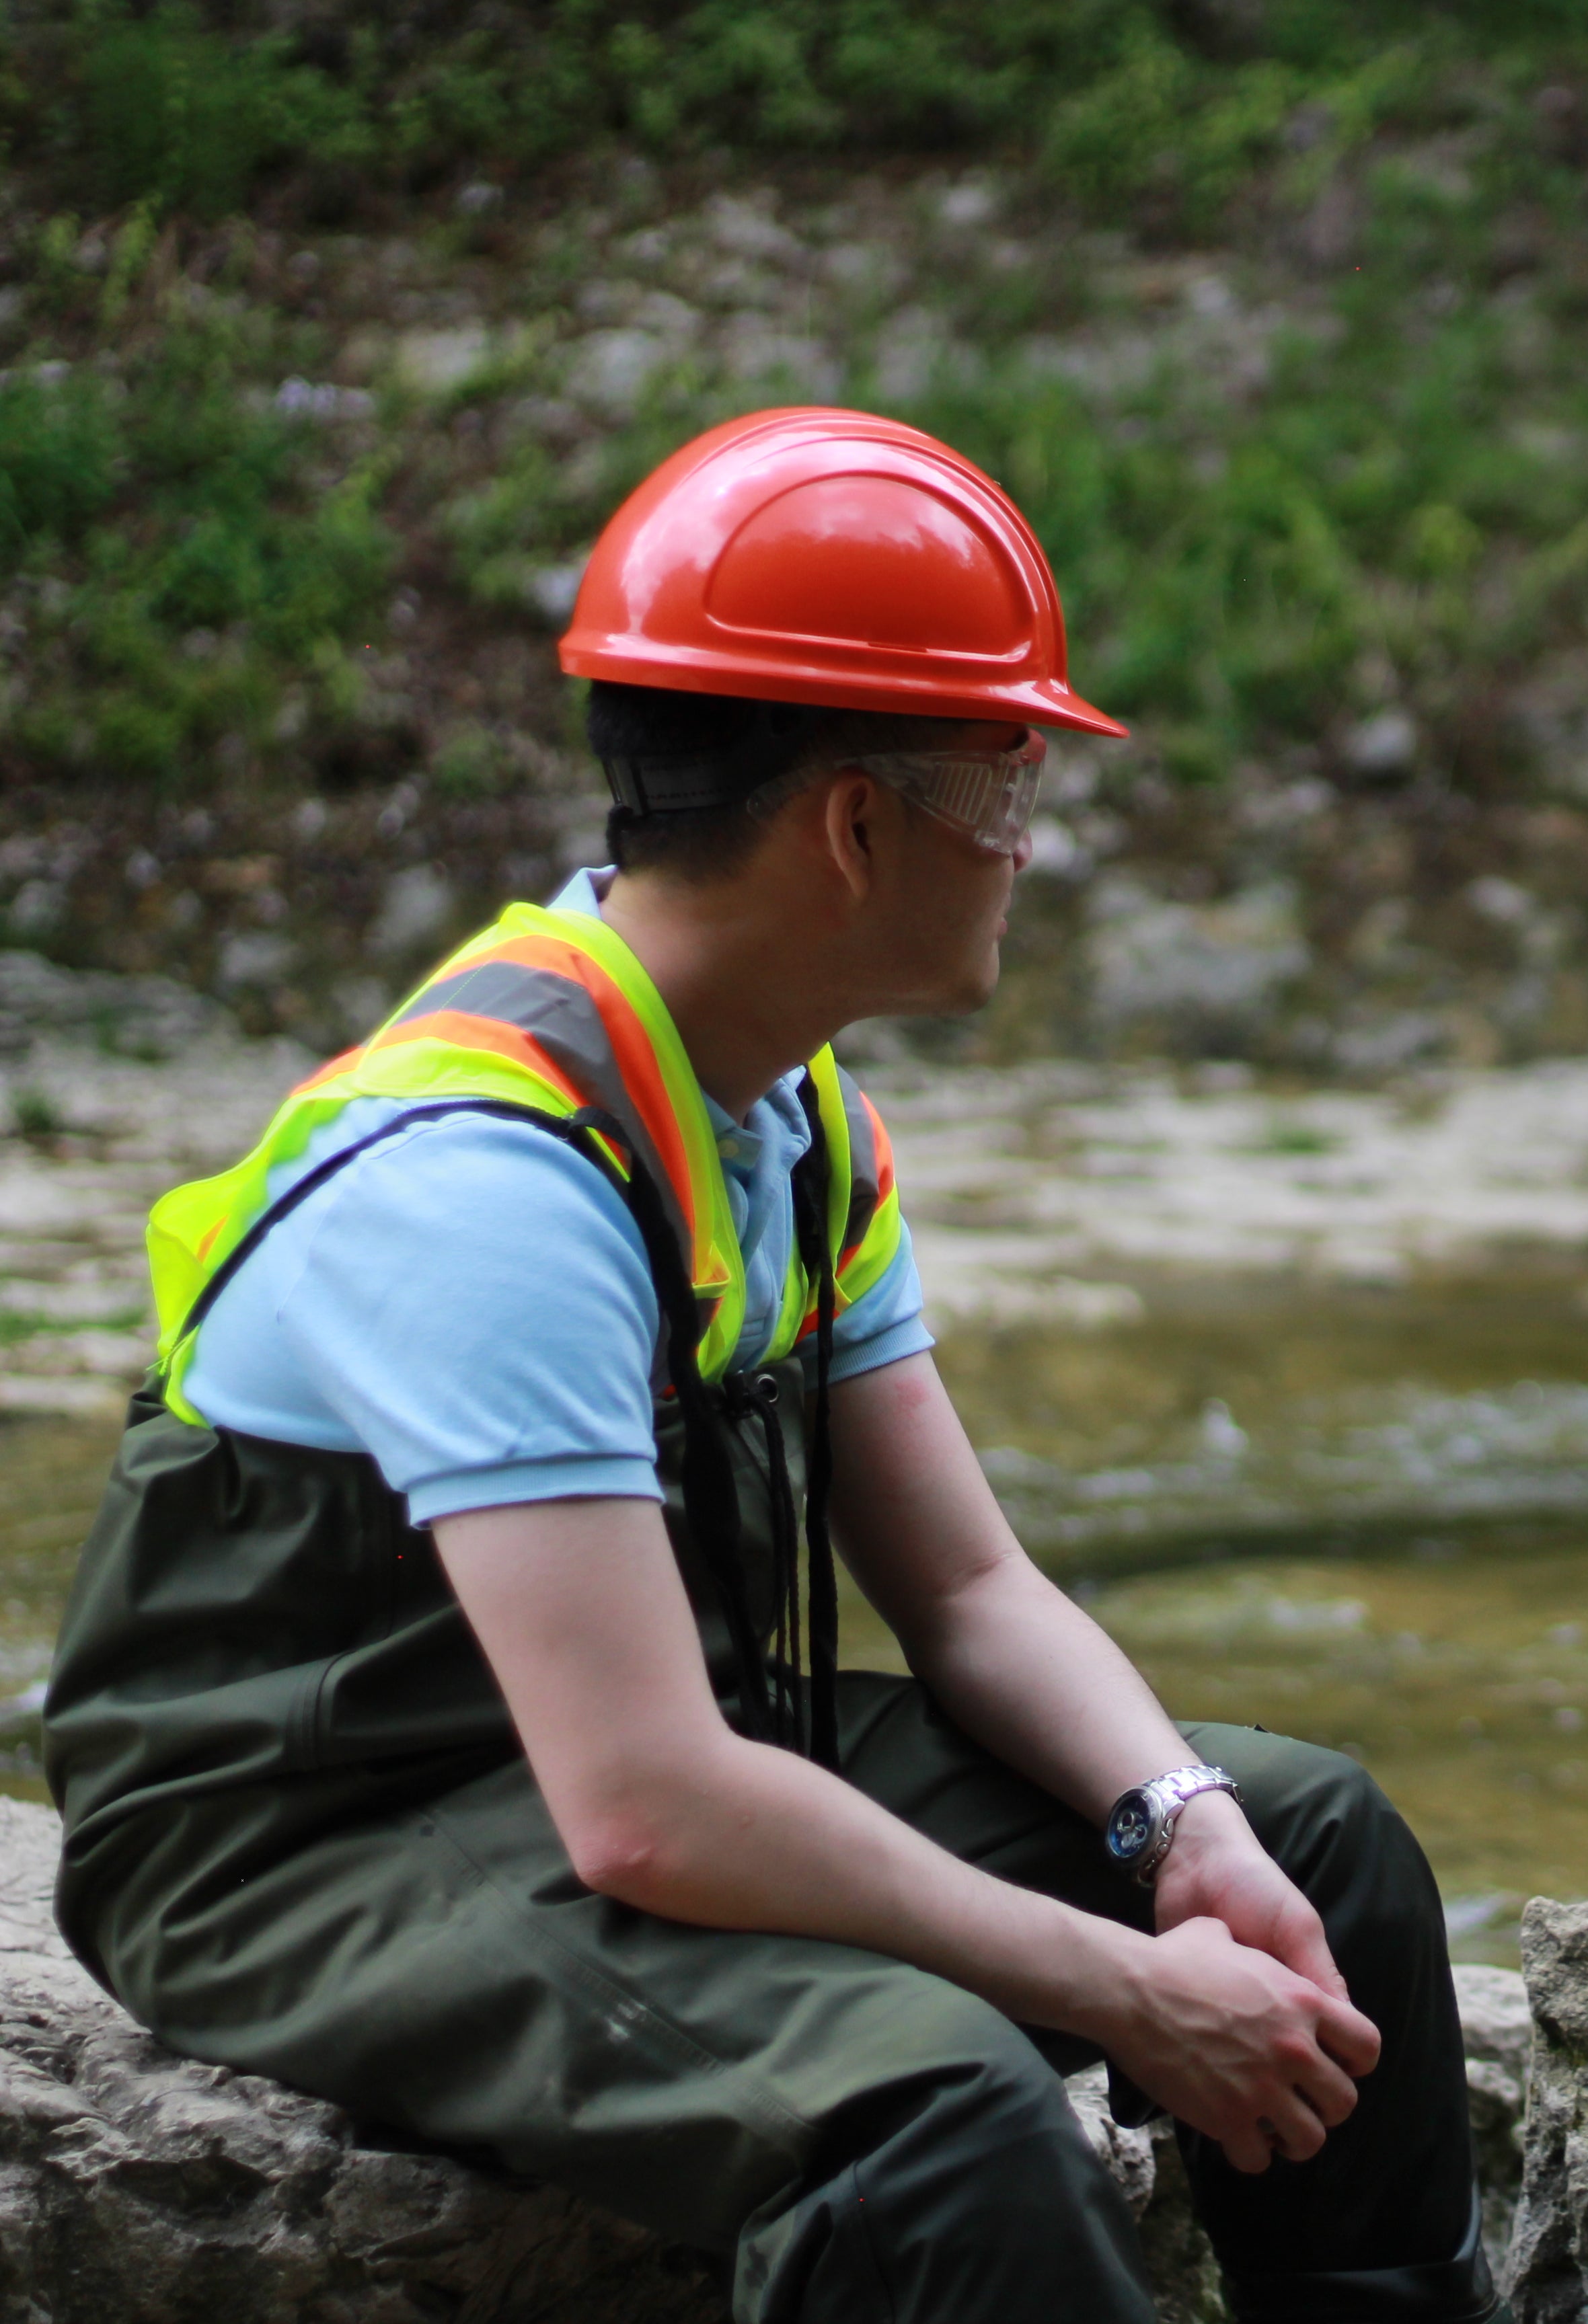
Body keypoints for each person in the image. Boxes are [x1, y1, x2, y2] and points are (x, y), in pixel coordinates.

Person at [46, 408, 1499, 2324]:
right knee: (937, 2121)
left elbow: (970, 1590)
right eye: (1013, 779)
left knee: (1321, 1843)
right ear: (854, 825)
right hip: (321, 1833)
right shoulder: (491, 1187)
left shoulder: (786, 1125)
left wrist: (1182, 1830)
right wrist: (1130, 1990)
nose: (1028, 845)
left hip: (625, 1756)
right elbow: (648, 1807)